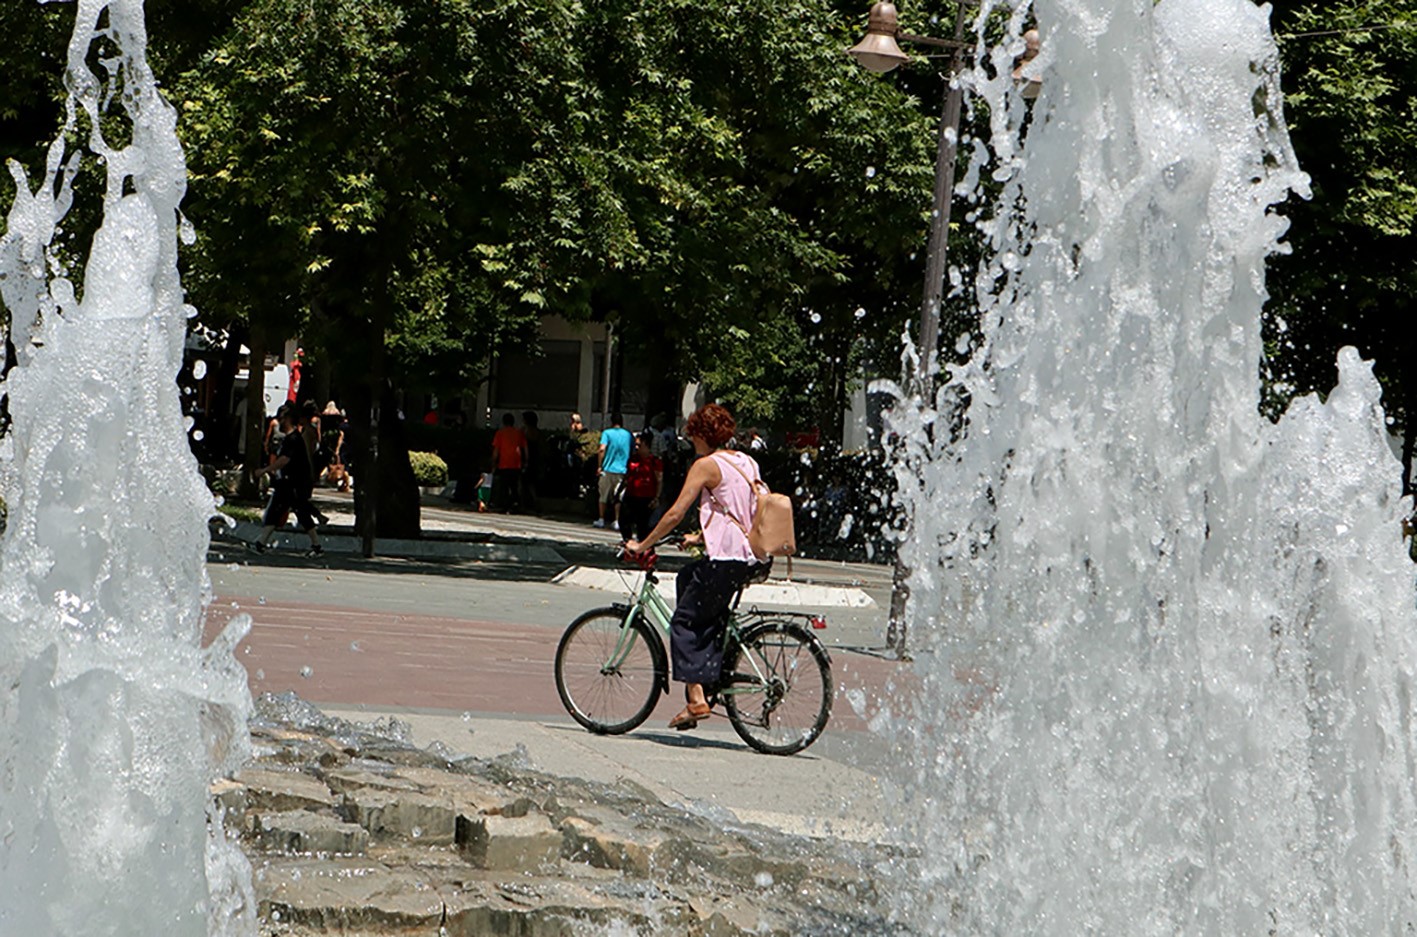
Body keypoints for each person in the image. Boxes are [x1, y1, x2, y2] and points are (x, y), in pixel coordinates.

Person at [626, 403, 764, 730]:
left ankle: (697, 699)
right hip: (751, 557)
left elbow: (674, 512)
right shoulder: (746, 460)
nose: (690, 439)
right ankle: (706, 676)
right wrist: (699, 537)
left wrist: (642, 544)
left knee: (683, 623)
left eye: (693, 433)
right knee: (689, 579)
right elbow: (743, 512)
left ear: (701, 434)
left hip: (727, 561)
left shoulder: (706, 465)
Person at [251, 404, 323, 557]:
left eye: (282, 418)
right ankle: (261, 543)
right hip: (289, 482)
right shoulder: (290, 438)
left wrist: (265, 470)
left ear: (289, 419)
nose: (279, 422)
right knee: (288, 511)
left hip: (293, 482)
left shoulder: (294, 439)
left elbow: (284, 460)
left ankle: (261, 543)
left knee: (287, 511)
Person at [619, 431, 663, 543]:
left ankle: (644, 549)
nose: (637, 447)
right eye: (636, 445)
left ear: (647, 446)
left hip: (646, 498)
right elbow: (627, 477)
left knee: (643, 526)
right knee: (623, 520)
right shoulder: (633, 459)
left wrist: (656, 497)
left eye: (639, 445)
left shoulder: (654, 462)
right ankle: (627, 542)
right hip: (631, 495)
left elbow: (659, 480)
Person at [594, 413, 633, 529]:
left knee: (603, 495)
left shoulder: (607, 433)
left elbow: (602, 449)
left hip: (608, 468)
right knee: (619, 497)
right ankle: (616, 521)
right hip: (622, 470)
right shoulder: (628, 435)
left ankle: (601, 519)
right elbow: (632, 450)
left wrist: (599, 465)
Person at [489, 412, 527, 512]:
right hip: (516, 462)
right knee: (514, 485)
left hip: (504, 463)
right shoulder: (519, 433)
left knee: (504, 486)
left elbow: (496, 450)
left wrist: (493, 462)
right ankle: (515, 504)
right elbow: (525, 448)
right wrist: (526, 460)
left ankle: (505, 505)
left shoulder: (500, 433)